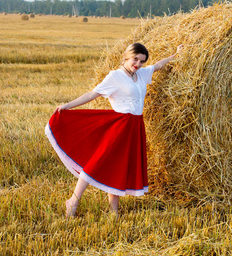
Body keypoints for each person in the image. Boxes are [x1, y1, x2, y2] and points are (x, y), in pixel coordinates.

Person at [45, 43, 184, 218]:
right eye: (135, 59)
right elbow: (92, 94)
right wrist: (67, 105)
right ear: (127, 56)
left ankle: (114, 211)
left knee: (117, 167)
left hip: (135, 127)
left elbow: (158, 65)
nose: (138, 64)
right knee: (97, 162)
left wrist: (175, 55)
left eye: (141, 61)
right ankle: (73, 200)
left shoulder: (141, 74)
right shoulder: (115, 76)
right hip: (119, 125)